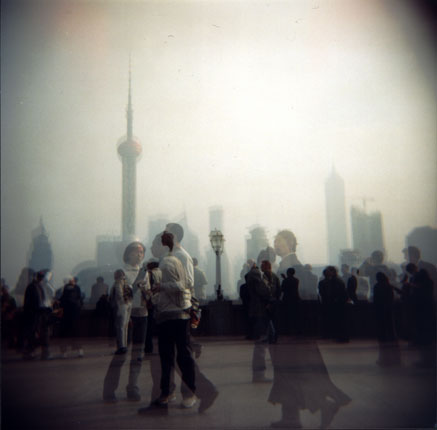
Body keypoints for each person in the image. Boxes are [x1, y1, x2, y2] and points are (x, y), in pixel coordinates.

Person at [148, 231, 197, 409]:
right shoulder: (164, 261)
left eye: (154, 245)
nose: (151, 249)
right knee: (167, 354)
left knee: (181, 354)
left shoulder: (177, 258)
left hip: (178, 312)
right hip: (166, 312)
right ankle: (168, 391)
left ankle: (188, 392)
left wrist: (161, 286)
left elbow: (186, 283)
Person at [60, 276, 84, 358]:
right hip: (75, 313)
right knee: (76, 332)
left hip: (67, 314)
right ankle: (79, 350)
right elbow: (79, 299)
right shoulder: (77, 288)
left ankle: (64, 352)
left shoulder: (65, 289)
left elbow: (62, 300)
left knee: (65, 333)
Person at [110, 269, 133, 355]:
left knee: (120, 327)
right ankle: (125, 345)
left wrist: (120, 304)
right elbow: (131, 294)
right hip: (128, 305)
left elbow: (119, 294)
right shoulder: (127, 282)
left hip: (121, 306)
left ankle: (121, 347)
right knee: (125, 327)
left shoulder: (118, 282)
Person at [261, 260, 281, 343]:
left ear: (266, 266)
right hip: (274, 301)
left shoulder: (265, 275)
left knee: (269, 320)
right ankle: (273, 337)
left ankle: (272, 337)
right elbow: (278, 290)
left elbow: (268, 289)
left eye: (262, 266)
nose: (261, 267)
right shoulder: (275, 276)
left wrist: (268, 302)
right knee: (273, 319)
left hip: (268, 301)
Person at [281, 267, 301, 335]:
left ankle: (287, 330)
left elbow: (283, 289)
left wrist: (284, 279)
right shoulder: (296, 280)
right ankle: (295, 330)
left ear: (288, 273)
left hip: (287, 299)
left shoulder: (285, 280)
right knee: (294, 315)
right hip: (295, 299)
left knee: (287, 315)